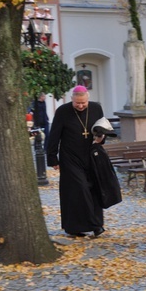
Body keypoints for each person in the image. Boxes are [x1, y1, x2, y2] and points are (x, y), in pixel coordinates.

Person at [47, 85, 107, 238]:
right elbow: (54, 135)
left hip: (90, 156)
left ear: (88, 99)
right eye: (77, 103)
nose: (80, 106)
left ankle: (89, 225)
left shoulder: (96, 108)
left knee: (93, 190)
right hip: (70, 158)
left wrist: (101, 138)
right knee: (79, 190)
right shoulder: (63, 111)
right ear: (72, 100)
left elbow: (102, 128)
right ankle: (92, 226)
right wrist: (52, 157)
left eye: (83, 103)